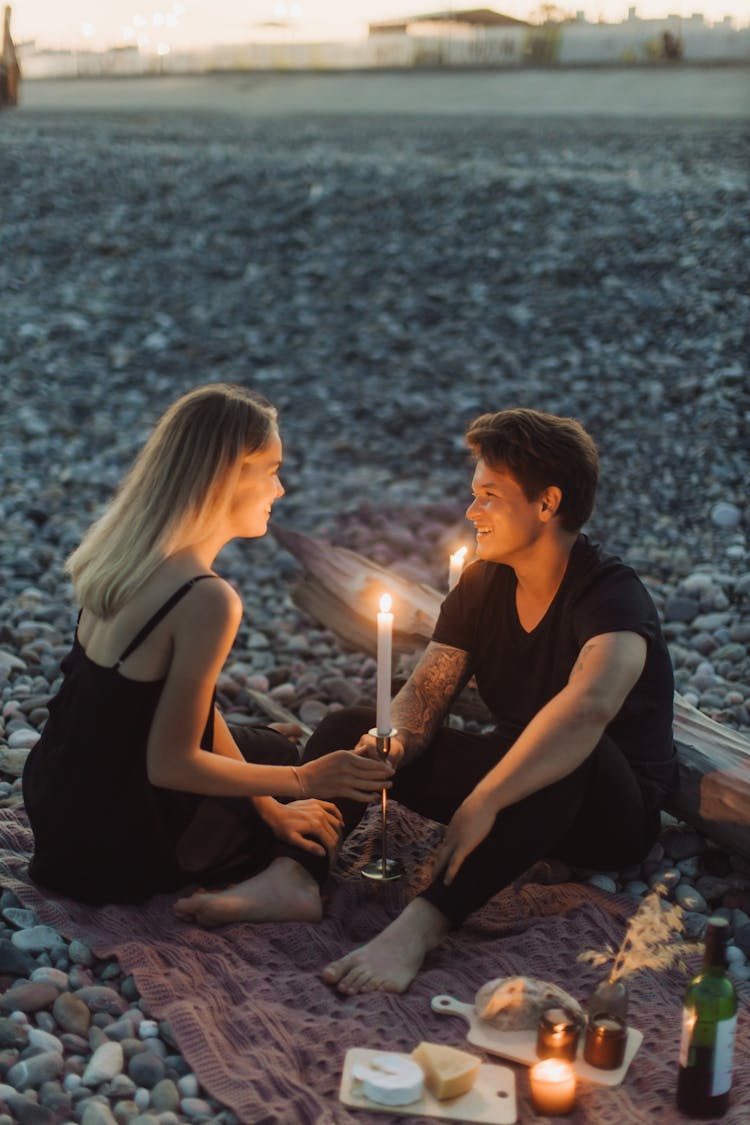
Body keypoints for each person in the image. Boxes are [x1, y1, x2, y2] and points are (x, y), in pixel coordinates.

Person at [309, 407, 676, 993]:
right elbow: (426, 692)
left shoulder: (612, 597)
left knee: (563, 752)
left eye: (488, 495)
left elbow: (586, 711)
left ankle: (421, 925)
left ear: (547, 503)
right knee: (346, 730)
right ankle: (296, 874)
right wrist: (395, 742)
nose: (470, 511)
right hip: (514, 781)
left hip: (606, 811)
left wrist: (485, 798)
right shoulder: (482, 584)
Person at [22, 384, 392, 912]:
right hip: (113, 844)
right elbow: (170, 764)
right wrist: (303, 781)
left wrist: (269, 804)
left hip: (60, 806)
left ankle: (274, 814)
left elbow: (151, 707)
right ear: (228, 474)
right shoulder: (205, 598)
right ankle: (292, 885)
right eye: (271, 469)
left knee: (267, 748)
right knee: (297, 763)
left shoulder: (120, 552)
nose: (280, 489)